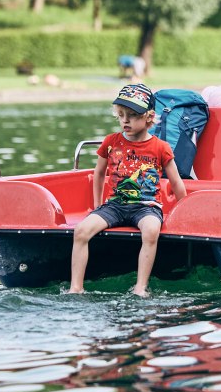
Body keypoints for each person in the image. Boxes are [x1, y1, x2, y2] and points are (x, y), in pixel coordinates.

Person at [69, 84, 187, 296]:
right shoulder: (111, 142)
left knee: (151, 230)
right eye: (121, 115)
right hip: (115, 205)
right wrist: (97, 206)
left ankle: (140, 287)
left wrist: (185, 212)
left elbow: (177, 182)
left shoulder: (161, 147)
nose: (125, 120)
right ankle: (76, 287)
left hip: (146, 207)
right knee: (80, 231)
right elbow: (98, 173)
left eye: (132, 115)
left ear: (149, 117)